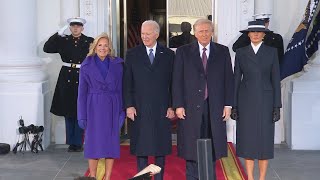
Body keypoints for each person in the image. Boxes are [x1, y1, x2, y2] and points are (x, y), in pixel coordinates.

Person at [172, 18, 234, 180]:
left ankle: (209, 176)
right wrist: (178, 105)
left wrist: (228, 104)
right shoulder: (183, 52)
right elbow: (177, 80)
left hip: (214, 106)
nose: (204, 34)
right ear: (194, 33)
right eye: (201, 31)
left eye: (207, 30)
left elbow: (229, 79)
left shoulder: (223, 51)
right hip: (190, 107)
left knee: (213, 144)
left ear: (212, 32)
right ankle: (192, 177)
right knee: (191, 145)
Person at [123, 20, 175, 180]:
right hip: (139, 107)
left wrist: (172, 106)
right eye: (142, 34)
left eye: (148, 34)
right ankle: (142, 178)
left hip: (161, 108)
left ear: (156, 34)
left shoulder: (168, 54)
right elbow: (127, 82)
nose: (144, 37)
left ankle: (159, 178)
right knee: (141, 147)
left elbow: (174, 83)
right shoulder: (132, 54)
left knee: (160, 148)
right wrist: (129, 105)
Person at [231, 20, 281, 180]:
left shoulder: (272, 52)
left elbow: (275, 80)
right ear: (248, 34)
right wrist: (234, 106)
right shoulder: (241, 52)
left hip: (266, 102)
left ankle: (262, 178)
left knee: (265, 142)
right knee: (248, 141)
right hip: (245, 101)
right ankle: (250, 178)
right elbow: (236, 79)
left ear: (264, 34)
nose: (255, 34)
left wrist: (276, 106)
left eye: (259, 32)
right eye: (252, 32)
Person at [77, 33, 125, 179]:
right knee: (93, 145)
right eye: (100, 45)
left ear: (110, 47)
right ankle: (93, 176)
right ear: (94, 47)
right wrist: (81, 115)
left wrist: (121, 112)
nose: (103, 48)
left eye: (106, 45)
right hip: (93, 108)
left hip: (112, 106)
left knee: (111, 144)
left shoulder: (118, 64)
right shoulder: (86, 65)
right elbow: (82, 93)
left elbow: (122, 89)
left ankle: (108, 177)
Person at [43, 17, 94, 152]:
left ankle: (77, 142)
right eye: (73, 26)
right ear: (70, 27)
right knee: (67, 110)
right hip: (66, 76)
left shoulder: (89, 41)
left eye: (78, 26)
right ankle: (71, 142)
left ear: (82, 28)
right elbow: (47, 48)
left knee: (80, 110)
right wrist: (57, 34)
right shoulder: (63, 40)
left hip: (83, 75)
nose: (75, 28)